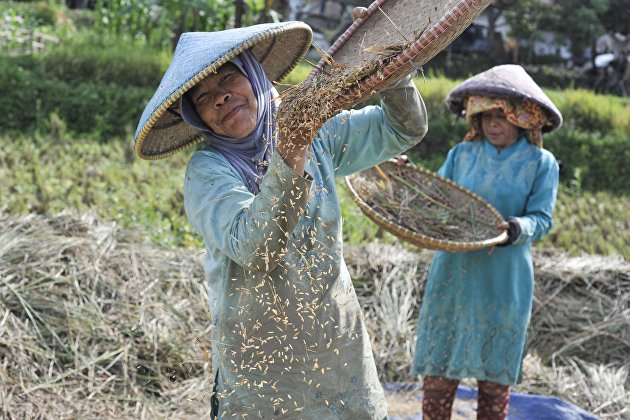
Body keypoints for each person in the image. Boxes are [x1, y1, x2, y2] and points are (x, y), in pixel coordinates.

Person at [134, 9, 428, 419]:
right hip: (263, 372)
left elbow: (401, 131)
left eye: (227, 79)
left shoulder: (313, 132)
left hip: (338, 352)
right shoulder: (209, 171)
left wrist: (390, 70)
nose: (219, 97)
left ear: (254, 76)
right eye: (202, 98)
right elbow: (256, 249)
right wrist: (290, 154)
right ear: (196, 117)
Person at [411, 64, 562, 419]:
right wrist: (408, 178)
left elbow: (542, 219)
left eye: (502, 117)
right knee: (438, 373)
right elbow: (438, 199)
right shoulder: (461, 155)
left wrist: (514, 228)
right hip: (454, 272)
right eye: (486, 116)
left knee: (494, 383)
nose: (493, 124)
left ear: (524, 119)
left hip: (503, 277)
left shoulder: (541, 162)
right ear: (475, 118)